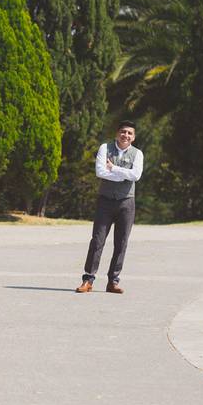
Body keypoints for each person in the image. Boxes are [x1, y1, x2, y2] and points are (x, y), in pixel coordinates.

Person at [75, 120, 144, 294]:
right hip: (105, 201)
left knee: (121, 243)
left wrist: (113, 168)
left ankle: (113, 281)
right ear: (117, 133)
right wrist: (122, 175)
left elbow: (135, 176)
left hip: (126, 203)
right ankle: (88, 280)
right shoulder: (105, 148)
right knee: (97, 241)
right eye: (123, 132)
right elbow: (100, 172)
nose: (125, 135)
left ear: (133, 137)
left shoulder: (138, 154)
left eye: (129, 133)